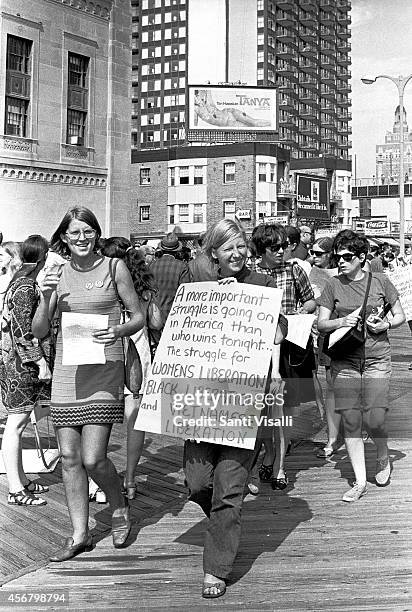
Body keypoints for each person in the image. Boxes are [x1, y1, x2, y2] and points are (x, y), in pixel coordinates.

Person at [32, 207, 145, 561]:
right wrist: (47, 296)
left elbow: (138, 315)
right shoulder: (55, 274)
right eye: (74, 233)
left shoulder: (114, 267)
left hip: (103, 368)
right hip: (67, 372)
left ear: (96, 234)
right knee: (68, 457)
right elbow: (38, 331)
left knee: (94, 459)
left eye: (88, 231)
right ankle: (79, 533)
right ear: (64, 237)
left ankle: (118, 504)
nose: (81, 238)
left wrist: (120, 329)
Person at [183, 219, 287, 599]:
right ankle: (221, 522)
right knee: (198, 482)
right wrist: (214, 300)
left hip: (245, 397)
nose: (238, 253)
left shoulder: (262, 285)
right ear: (213, 253)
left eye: (241, 246)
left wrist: (241, 301)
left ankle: (216, 568)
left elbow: (278, 333)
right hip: (202, 399)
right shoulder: (195, 289)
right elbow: (179, 341)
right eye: (228, 248)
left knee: (229, 488)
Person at [318, 230, 405, 502]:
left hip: (378, 357)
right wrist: (341, 322)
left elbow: (400, 315)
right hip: (345, 360)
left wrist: (386, 324)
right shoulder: (333, 285)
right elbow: (321, 323)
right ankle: (359, 481)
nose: (340, 261)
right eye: (337, 256)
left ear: (361, 257)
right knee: (352, 419)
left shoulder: (380, 281)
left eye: (346, 257)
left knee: (375, 417)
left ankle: (382, 457)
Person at [250, 223, 316, 490]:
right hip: (259, 349)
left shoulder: (294, 269)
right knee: (263, 409)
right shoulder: (252, 271)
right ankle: (268, 453)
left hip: (289, 345)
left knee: (286, 409)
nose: (281, 251)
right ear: (262, 250)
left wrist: (303, 309)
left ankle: (279, 466)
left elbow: (310, 300)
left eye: (284, 246)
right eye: (274, 247)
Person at [100, 238, 163, 500]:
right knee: (134, 418)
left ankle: (98, 481)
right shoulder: (144, 291)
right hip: (138, 358)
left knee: (99, 417)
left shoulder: (104, 288)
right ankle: (130, 479)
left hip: (106, 355)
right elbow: (157, 323)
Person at [0, 236, 52, 506]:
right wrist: (41, 362)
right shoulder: (25, 287)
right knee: (16, 424)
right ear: (41, 258)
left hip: (15, 364)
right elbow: (23, 331)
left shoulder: (18, 283)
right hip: (20, 367)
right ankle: (16, 488)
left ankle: (20, 480)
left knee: (17, 424)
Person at [308, 237, 341, 458]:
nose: (314, 256)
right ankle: (331, 438)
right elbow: (311, 302)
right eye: (312, 252)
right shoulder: (312, 272)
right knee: (332, 386)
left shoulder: (343, 271)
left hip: (346, 333)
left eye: (319, 253)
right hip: (326, 336)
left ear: (330, 254)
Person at [150, 232, 191, 323]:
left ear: (161, 249)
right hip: (174, 316)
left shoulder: (151, 265)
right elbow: (186, 293)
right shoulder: (182, 266)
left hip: (154, 316)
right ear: (177, 250)